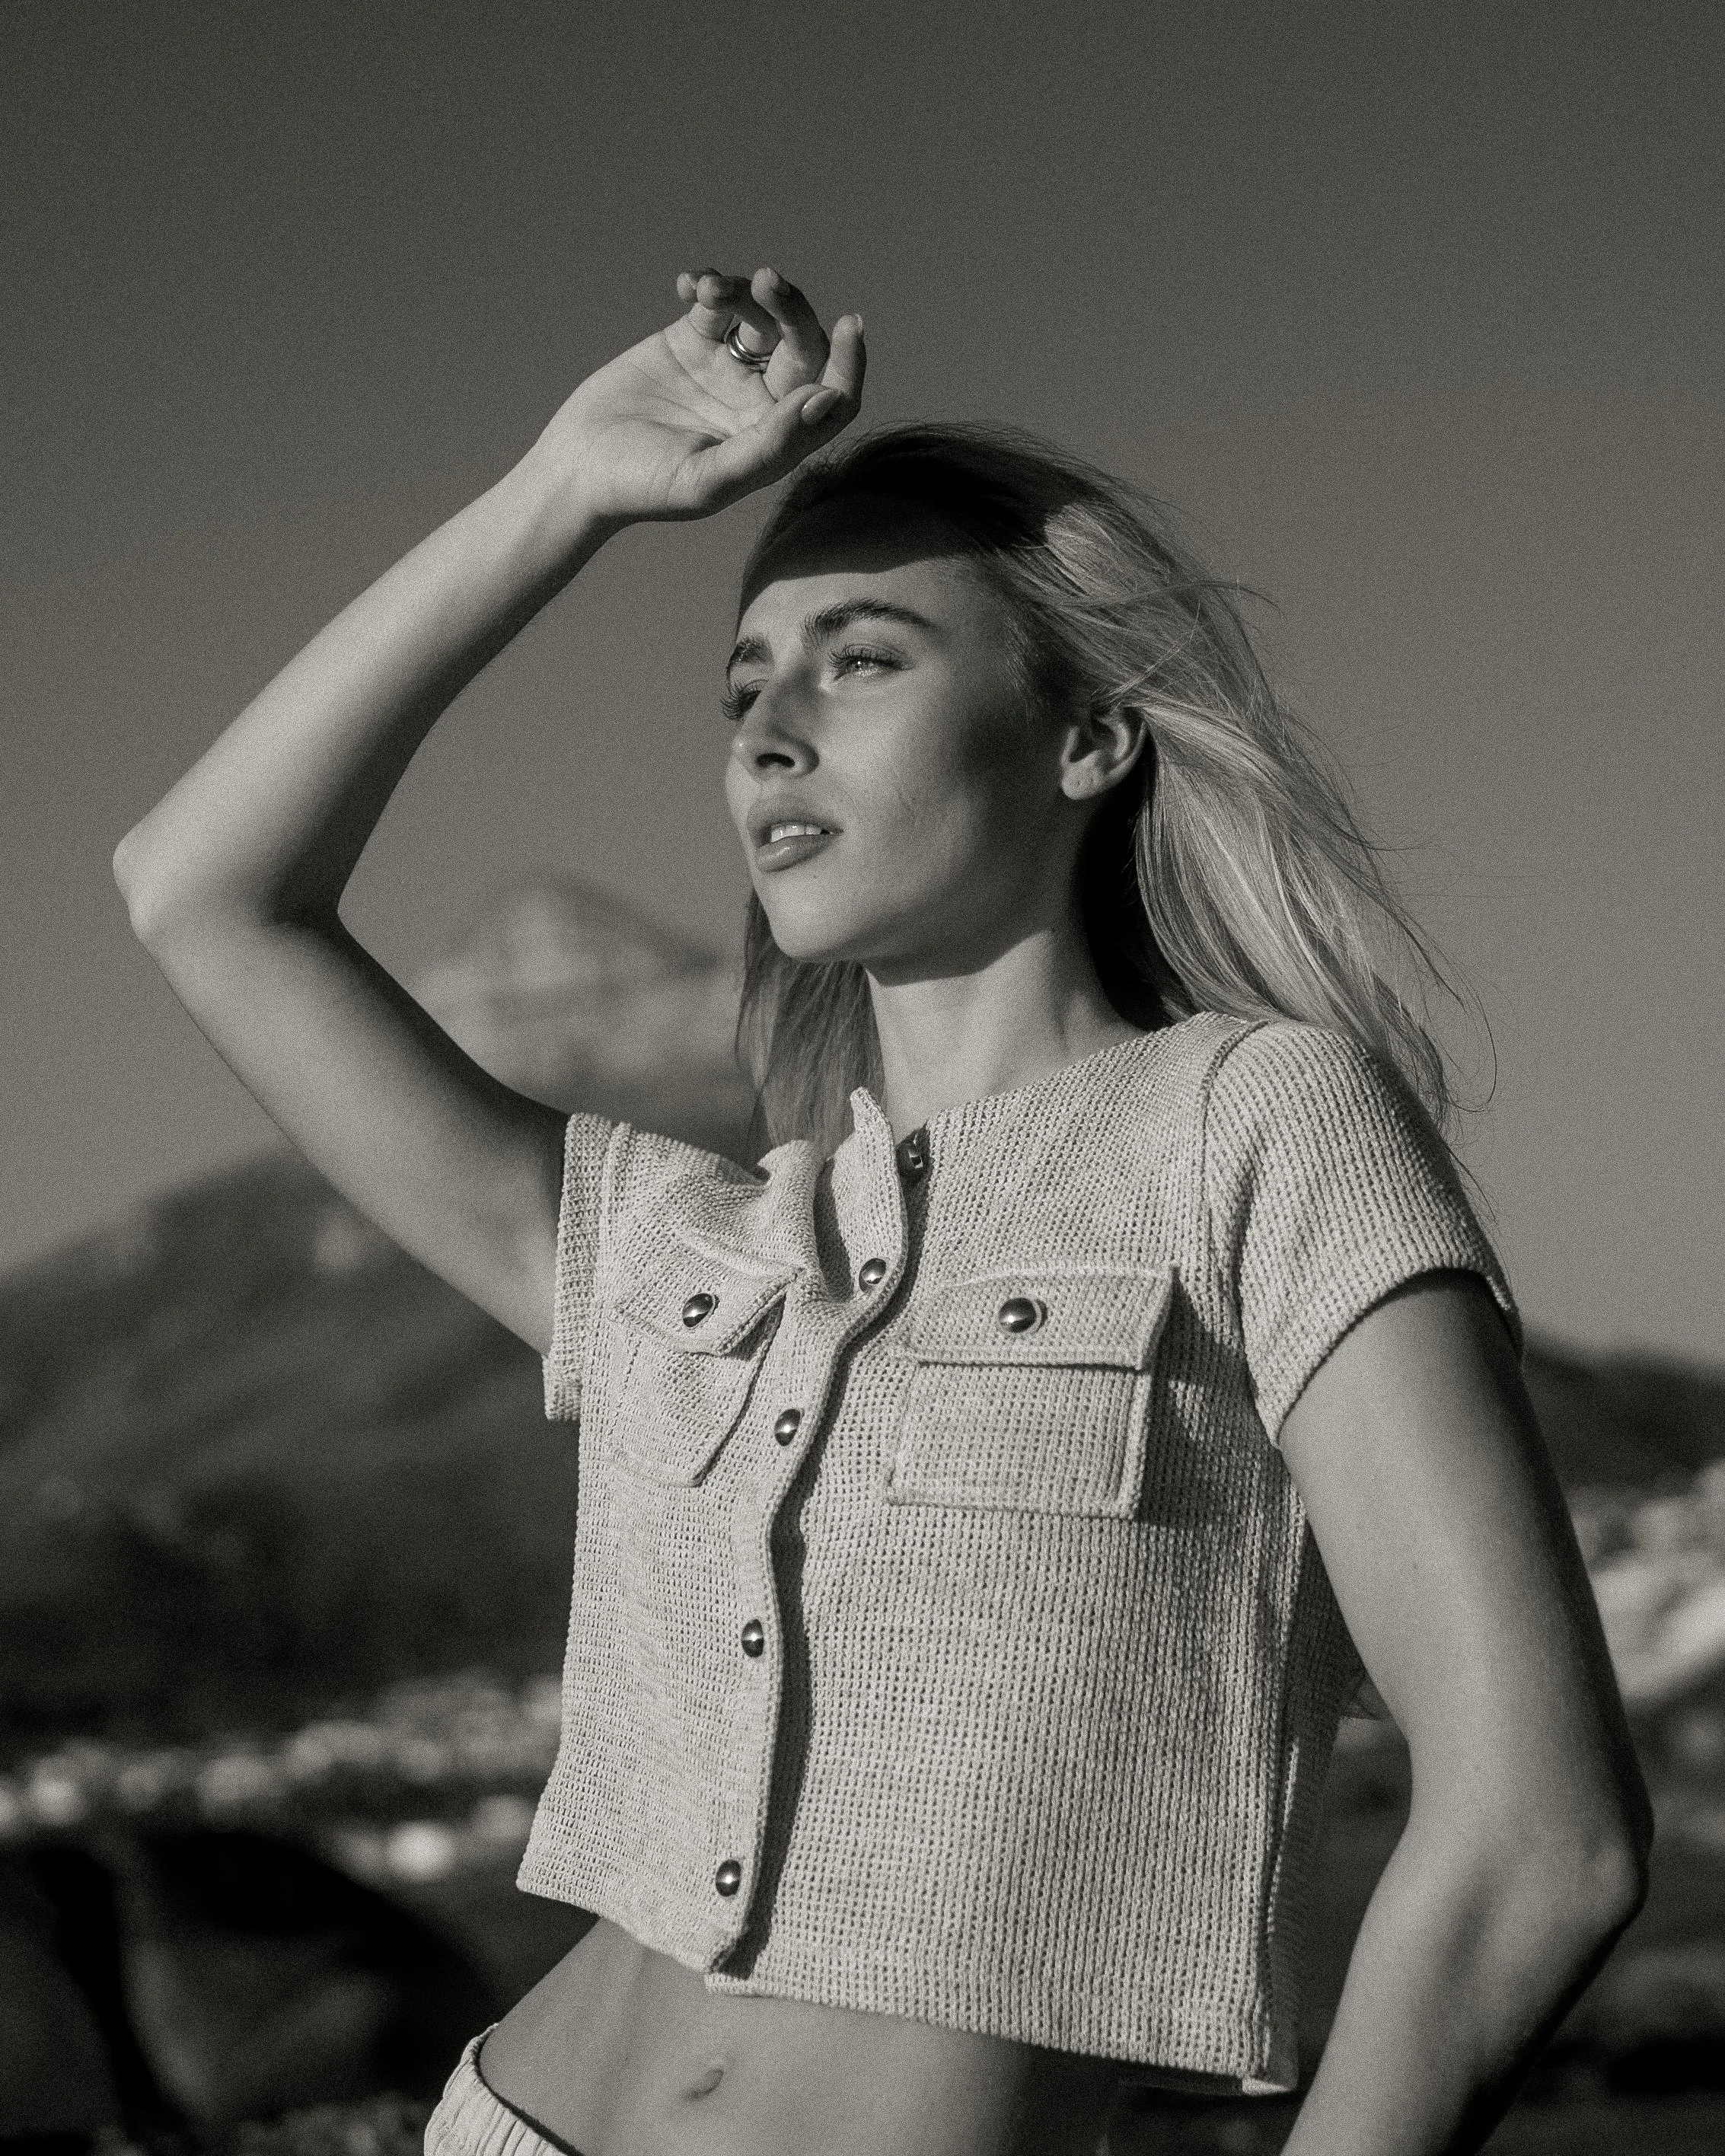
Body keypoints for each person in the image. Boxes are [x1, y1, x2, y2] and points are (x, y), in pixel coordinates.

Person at [115, 267, 1653, 2156]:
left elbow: (1539, 1837)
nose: (767, 733)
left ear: (1088, 739)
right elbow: (203, 893)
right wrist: (565, 489)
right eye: (741, 683)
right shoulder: (679, 1245)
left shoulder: (1253, 1127)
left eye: (856, 658)